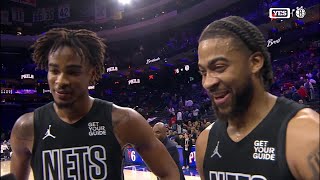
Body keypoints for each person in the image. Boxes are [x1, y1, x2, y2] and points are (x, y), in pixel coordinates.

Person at [10, 28, 179, 180]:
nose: (60, 81)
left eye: (73, 72)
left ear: (91, 74)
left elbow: (168, 173)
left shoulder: (124, 120)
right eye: (54, 71)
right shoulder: (26, 127)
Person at [196, 16, 319, 180]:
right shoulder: (205, 141)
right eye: (203, 72)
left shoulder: (306, 134)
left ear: (255, 62)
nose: (207, 82)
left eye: (219, 67)